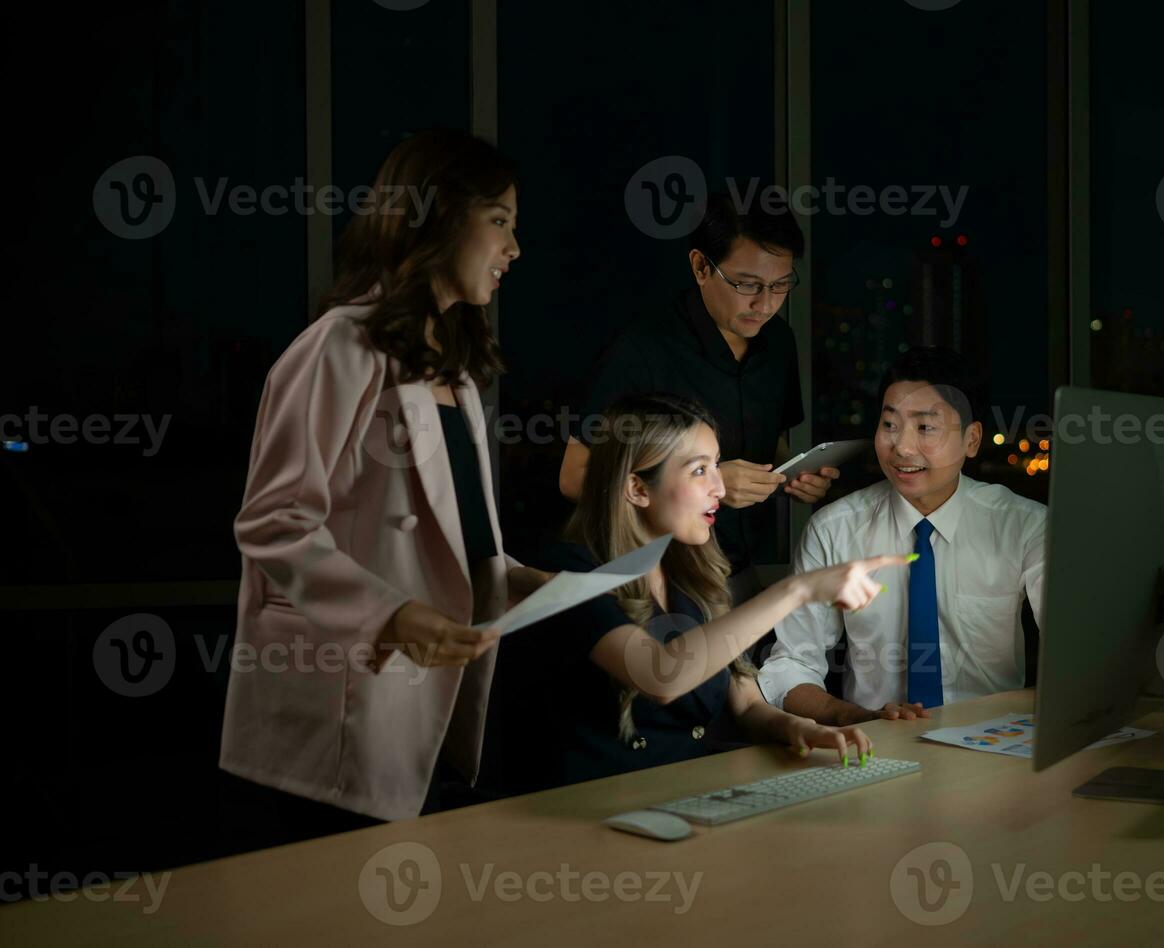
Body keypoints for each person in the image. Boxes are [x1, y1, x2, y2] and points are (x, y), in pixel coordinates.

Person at [220, 130, 552, 842]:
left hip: (421, 696)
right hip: (349, 704)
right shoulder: (339, 348)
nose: (514, 250)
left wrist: (534, 582)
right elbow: (273, 523)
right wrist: (392, 616)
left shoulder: (455, 375)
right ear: (434, 218)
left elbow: (454, 537)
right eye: (499, 221)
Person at [495, 394, 907, 796]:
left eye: (716, 466)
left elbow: (746, 706)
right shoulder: (572, 571)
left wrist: (799, 729)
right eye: (698, 471)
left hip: (681, 800)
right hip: (583, 815)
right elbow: (660, 674)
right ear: (637, 488)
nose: (720, 489)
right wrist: (797, 589)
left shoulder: (692, 569)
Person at [557, 194, 839, 612]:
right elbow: (574, 477)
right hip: (655, 581)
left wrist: (792, 473)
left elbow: (766, 446)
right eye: (747, 285)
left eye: (780, 285)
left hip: (742, 573)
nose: (766, 304)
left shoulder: (779, 343)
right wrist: (709, 485)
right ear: (701, 267)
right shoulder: (641, 350)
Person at [757, 347, 1047, 725]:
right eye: (890, 425)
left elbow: (1076, 650)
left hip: (991, 745)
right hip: (873, 745)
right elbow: (791, 663)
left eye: (926, 427)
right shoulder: (835, 530)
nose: (902, 447)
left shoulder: (1023, 525)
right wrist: (857, 718)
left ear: (972, 440)